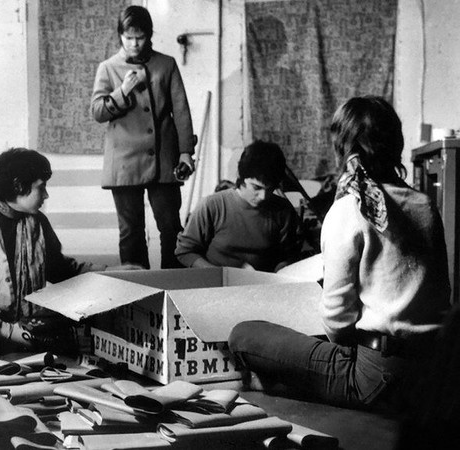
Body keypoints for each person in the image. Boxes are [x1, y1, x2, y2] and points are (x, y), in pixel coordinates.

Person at [228, 96, 451, 409]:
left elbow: (336, 317)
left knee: (243, 334)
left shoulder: (349, 209)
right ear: (396, 143)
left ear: (342, 148)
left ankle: (274, 384)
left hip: (376, 377)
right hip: (431, 373)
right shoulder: (425, 204)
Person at [0, 148, 133, 357]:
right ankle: (11, 338)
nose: (46, 195)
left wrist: (111, 272)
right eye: (41, 188)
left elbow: (62, 271)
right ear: (18, 185)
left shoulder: (39, 224)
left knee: (86, 305)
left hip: (30, 323)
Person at [91, 5, 196, 269]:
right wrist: (122, 91)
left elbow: (181, 111)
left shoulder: (166, 64)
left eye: (140, 37)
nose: (134, 43)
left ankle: (175, 287)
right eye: (128, 37)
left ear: (149, 35)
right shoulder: (108, 68)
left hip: (162, 159)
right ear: (120, 36)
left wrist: (186, 153)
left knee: (171, 226)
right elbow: (98, 112)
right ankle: (136, 296)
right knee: (131, 232)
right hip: (124, 161)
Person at [175, 141, 300, 272]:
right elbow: (185, 251)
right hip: (217, 285)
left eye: (270, 189)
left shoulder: (283, 210)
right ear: (241, 176)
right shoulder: (212, 206)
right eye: (256, 187)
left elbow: (289, 255)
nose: (263, 196)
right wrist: (218, 274)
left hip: (263, 285)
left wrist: (281, 269)